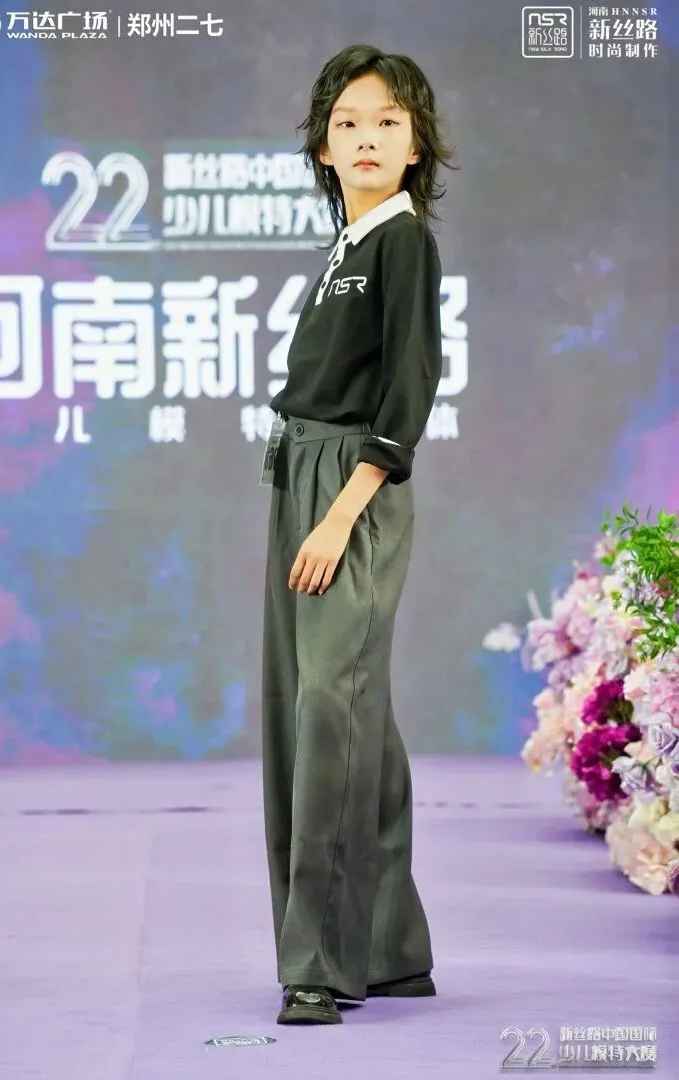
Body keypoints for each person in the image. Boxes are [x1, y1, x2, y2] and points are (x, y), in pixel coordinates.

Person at [260, 43, 456, 1026]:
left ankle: (318, 962)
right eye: (347, 122)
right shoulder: (349, 243)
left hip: (352, 488)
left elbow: (410, 386)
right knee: (344, 709)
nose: (366, 137)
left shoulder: (403, 241)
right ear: (323, 148)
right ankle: (389, 949)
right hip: (302, 471)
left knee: (329, 713)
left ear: (416, 144)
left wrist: (342, 511)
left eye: (387, 121)